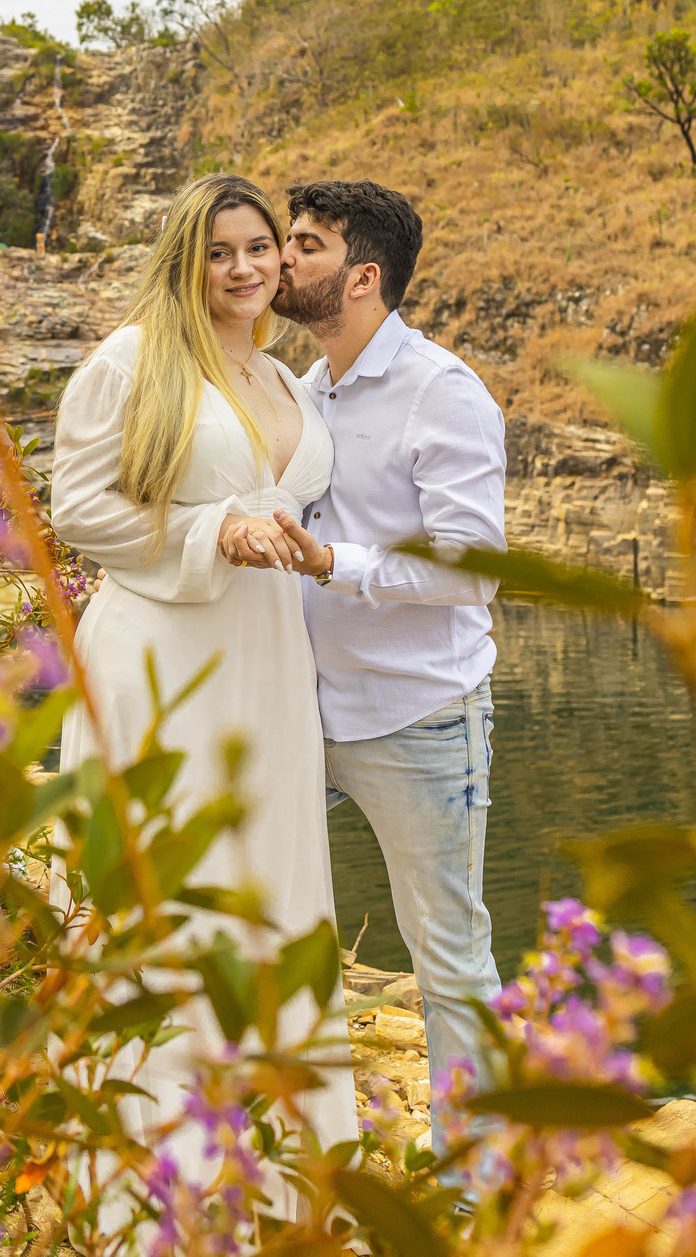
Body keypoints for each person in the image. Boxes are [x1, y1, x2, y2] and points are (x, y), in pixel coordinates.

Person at [49, 172, 358, 1192]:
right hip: (162, 651)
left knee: (269, 870)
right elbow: (77, 510)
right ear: (188, 259)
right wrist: (209, 529)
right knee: (170, 883)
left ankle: (271, 1153)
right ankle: (149, 1156)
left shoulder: (283, 375)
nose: (242, 270)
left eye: (259, 249)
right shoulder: (132, 360)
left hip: (268, 653)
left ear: (282, 257)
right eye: (219, 252)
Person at [224, 176, 506, 1154]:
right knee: (256, 919)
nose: (278, 259)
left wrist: (332, 563)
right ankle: (280, 1145)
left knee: (450, 959)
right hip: (303, 716)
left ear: (361, 275)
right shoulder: (301, 391)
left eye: (303, 245)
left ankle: (473, 1181)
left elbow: (470, 567)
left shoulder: (444, 393)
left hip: (421, 723)